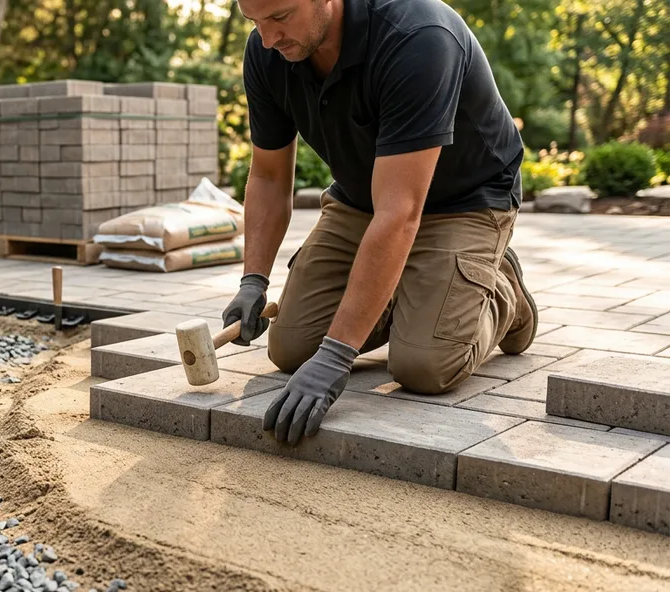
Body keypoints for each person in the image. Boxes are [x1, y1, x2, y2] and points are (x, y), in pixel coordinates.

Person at [223, 0, 537, 445]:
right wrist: (252, 280)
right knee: (292, 347)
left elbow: (401, 212)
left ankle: (501, 288)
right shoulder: (268, 51)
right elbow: (271, 176)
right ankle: (412, 289)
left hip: (463, 200)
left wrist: (337, 355)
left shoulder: (419, 37)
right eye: (254, 21)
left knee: (424, 365)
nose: (267, 39)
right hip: (362, 200)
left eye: (279, 17)